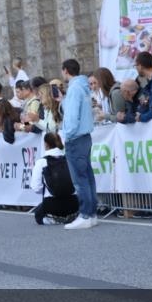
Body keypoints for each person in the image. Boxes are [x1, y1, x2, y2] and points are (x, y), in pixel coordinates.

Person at [59, 59, 97, 230]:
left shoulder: (74, 88)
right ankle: (92, 214)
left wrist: (66, 135)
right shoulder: (83, 86)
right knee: (87, 176)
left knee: (80, 179)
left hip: (75, 137)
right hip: (85, 136)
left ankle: (85, 214)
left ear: (65, 70)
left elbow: (72, 117)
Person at [30, 132, 79, 226]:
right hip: (73, 204)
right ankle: (70, 217)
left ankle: (54, 219)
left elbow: (36, 188)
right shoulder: (70, 160)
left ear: (46, 144)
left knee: (38, 214)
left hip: (52, 205)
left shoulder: (41, 162)